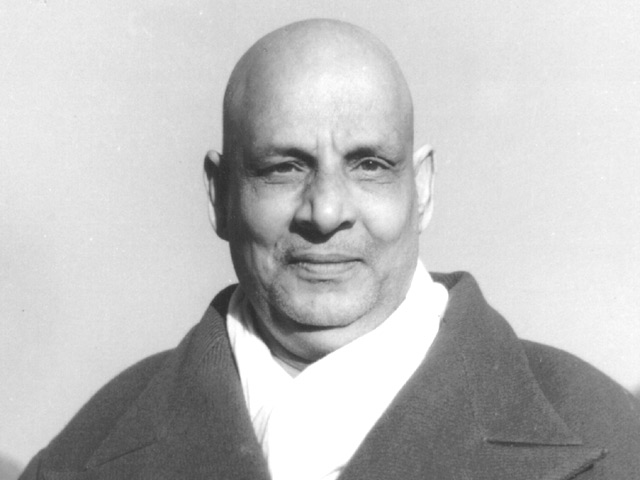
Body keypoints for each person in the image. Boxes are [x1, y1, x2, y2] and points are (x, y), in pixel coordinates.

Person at [19, 19, 640, 480]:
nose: (325, 211)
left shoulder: (609, 438)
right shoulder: (81, 457)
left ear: (422, 189)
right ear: (220, 194)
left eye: (369, 165)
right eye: (283, 168)